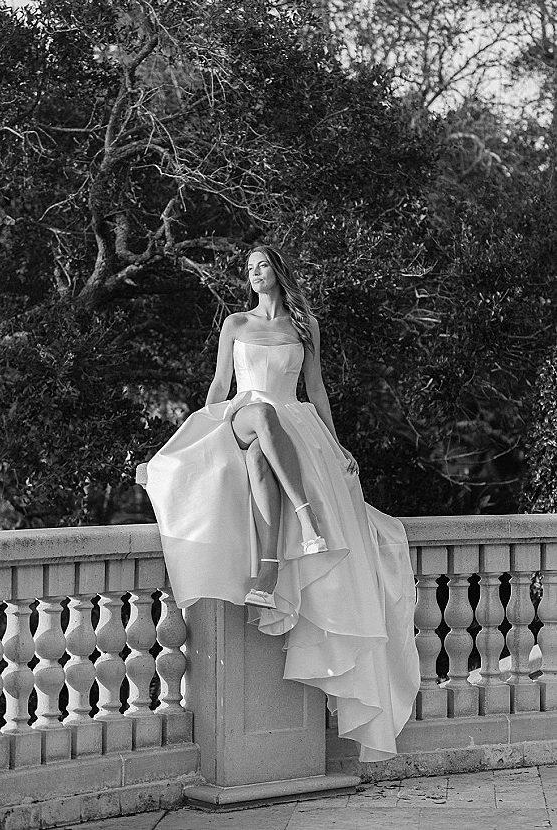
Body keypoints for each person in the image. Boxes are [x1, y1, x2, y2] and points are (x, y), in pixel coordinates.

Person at [144, 245, 420, 762]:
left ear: (278, 271)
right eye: (248, 268)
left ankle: (268, 577)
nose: (253, 274)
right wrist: (195, 441)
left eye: (261, 265)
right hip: (244, 415)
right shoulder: (234, 323)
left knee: (262, 466)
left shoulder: (305, 326)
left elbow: (315, 389)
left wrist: (337, 447)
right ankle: (306, 515)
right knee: (264, 418)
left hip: (297, 427)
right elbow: (221, 385)